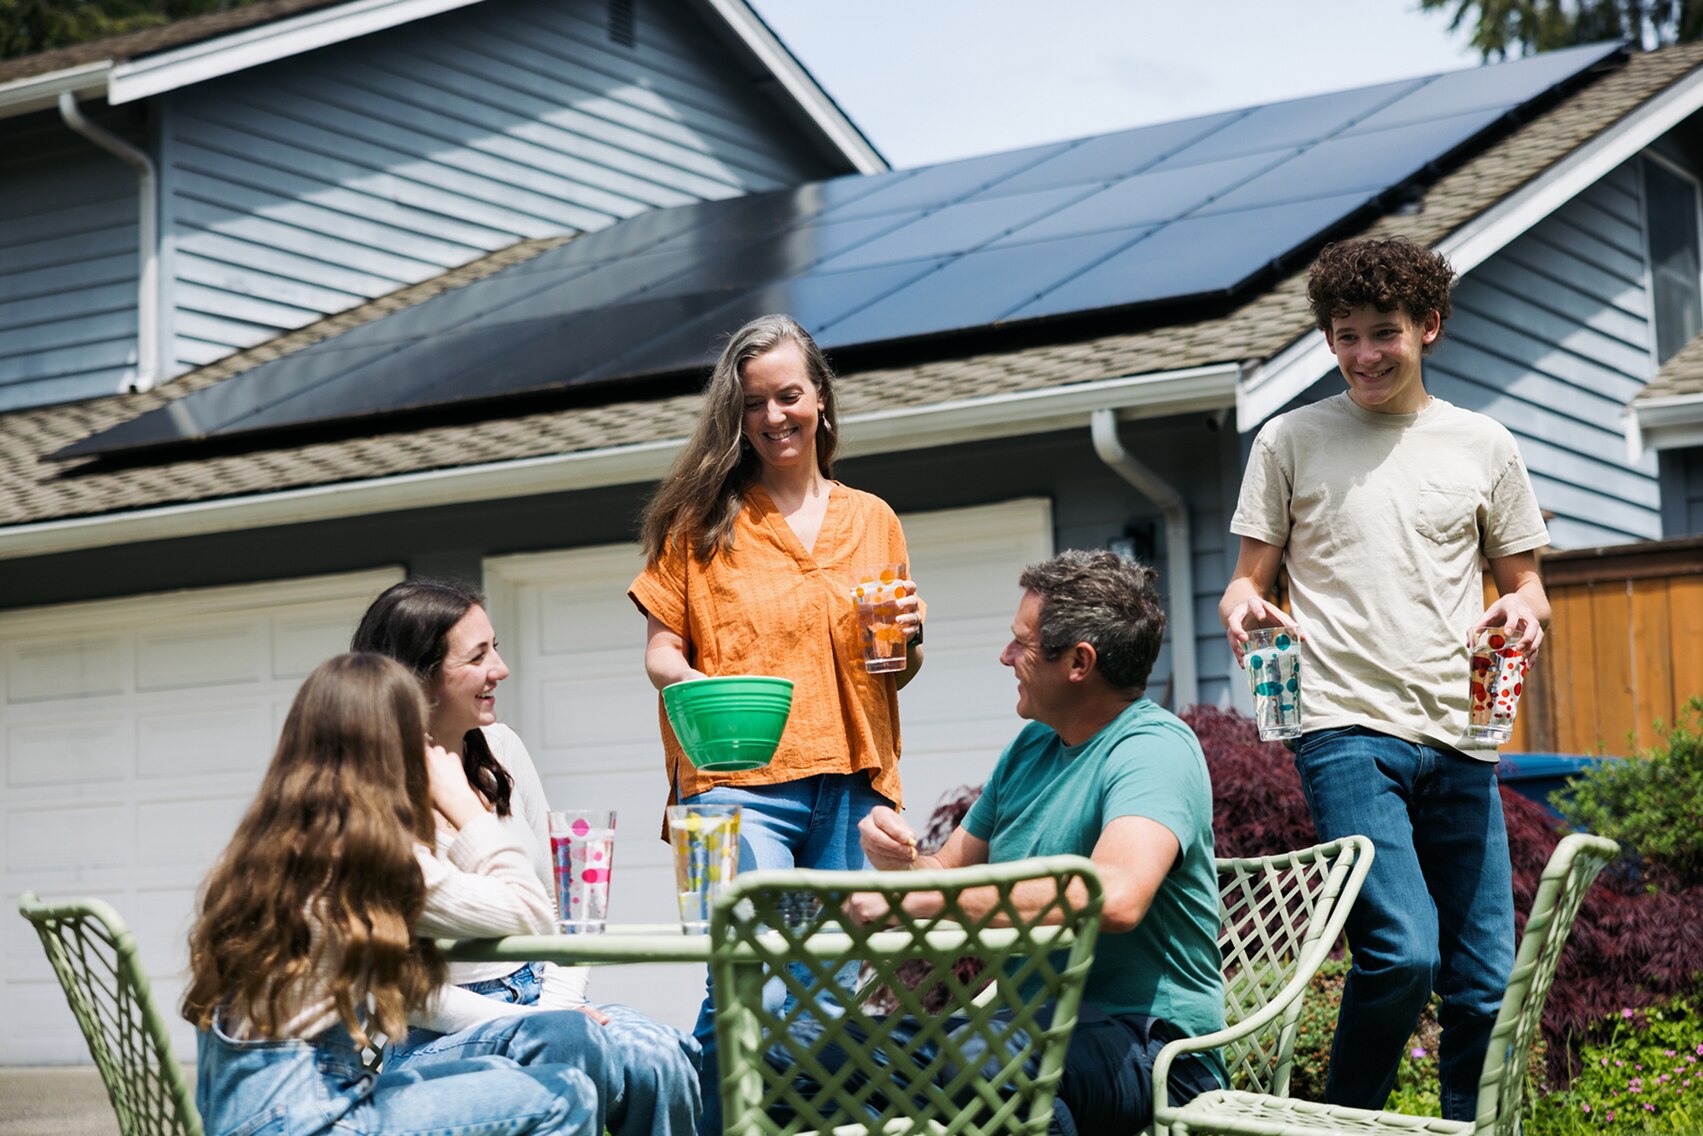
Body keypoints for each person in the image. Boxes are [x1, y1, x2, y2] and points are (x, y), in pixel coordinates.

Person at [1219, 235, 1552, 1121]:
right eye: (1344, 335)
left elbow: (1526, 586)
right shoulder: (1288, 439)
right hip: (1341, 727)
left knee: (1482, 982)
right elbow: (1248, 579)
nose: (1363, 354)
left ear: (1428, 328)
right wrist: (1242, 603)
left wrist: (1523, 610)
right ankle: (1347, 1120)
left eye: (1384, 332)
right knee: (1403, 953)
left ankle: (1461, 1128)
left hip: (1460, 733)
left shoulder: (1482, 443)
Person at [628, 313, 924, 1132]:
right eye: (753, 403)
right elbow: (661, 650)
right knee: (747, 975)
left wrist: (905, 644)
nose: (772, 417)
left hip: (851, 782)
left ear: (820, 400)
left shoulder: (873, 519)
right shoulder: (700, 524)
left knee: (827, 995)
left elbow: (892, 663)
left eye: (788, 396)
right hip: (735, 782)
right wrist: (692, 685)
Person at [856, 550, 1226, 1134]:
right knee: (824, 1056)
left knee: (983, 1067)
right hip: (1024, 1034)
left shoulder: (1154, 749)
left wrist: (926, 897)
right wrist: (901, 864)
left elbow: (1119, 896)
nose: (1005, 657)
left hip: (1154, 1051)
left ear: (1079, 662)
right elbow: (943, 876)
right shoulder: (1030, 750)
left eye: (1022, 644)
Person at [182, 652, 603, 1136]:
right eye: (419, 737)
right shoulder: (368, 859)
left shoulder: (269, 847)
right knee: (563, 1094)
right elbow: (530, 911)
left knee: (501, 1078)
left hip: (247, 1111)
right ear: (392, 748)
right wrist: (466, 808)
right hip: (309, 1117)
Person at [351, 579, 700, 1136]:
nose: (502, 668)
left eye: (497, 646)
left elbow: (562, 904)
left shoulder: (503, 748)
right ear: (419, 677)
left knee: (659, 1057)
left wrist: (557, 1002)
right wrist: (538, 1020)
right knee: (569, 1043)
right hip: (435, 1033)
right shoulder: (367, 795)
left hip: (544, 993)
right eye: (478, 655)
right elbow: (404, 989)